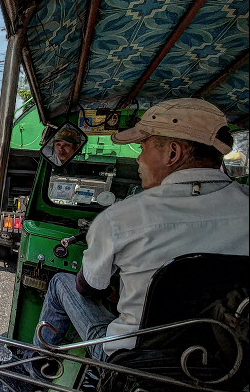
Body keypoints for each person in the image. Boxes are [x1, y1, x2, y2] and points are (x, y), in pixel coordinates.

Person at [28, 98, 249, 369]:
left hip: (131, 364)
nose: (138, 158)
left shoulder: (121, 218)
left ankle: (34, 370)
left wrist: (116, 292)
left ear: (173, 153)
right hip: (223, 365)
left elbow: (88, 287)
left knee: (62, 282)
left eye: (143, 147)